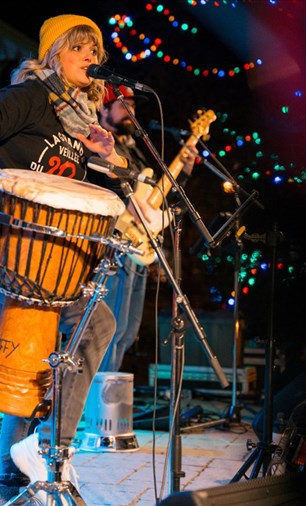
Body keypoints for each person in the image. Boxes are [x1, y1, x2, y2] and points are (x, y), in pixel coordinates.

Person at [0, 14, 125, 505]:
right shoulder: (30, 97)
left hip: (42, 256)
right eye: (81, 49)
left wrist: (107, 154)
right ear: (54, 53)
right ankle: (49, 449)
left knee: (44, 346)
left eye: (96, 52)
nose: (93, 58)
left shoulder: (78, 123)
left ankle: (9, 484)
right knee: (81, 325)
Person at [96, 85, 198, 372]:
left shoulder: (133, 149)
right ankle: (96, 403)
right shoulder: (101, 144)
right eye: (123, 105)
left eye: (134, 106)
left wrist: (185, 169)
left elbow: (157, 202)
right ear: (104, 109)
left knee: (127, 331)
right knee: (110, 329)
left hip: (139, 246)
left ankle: (107, 397)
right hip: (114, 244)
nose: (132, 111)